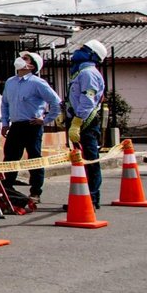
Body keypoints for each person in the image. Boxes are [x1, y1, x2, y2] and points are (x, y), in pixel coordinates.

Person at [0, 51, 62, 210]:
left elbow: (56, 102)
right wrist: (5, 122)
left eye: (25, 58)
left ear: (32, 65)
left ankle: (35, 191)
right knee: (10, 157)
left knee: (34, 158)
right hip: (16, 125)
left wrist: (46, 119)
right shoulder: (10, 82)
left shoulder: (38, 83)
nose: (20, 59)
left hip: (32, 125)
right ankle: (8, 188)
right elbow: (5, 104)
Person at [65, 39, 110, 209]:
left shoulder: (88, 73)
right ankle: (82, 198)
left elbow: (87, 99)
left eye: (84, 49)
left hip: (86, 122)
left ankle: (91, 198)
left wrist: (77, 121)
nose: (78, 51)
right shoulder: (79, 72)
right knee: (81, 161)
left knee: (90, 161)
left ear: (92, 55)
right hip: (78, 119)